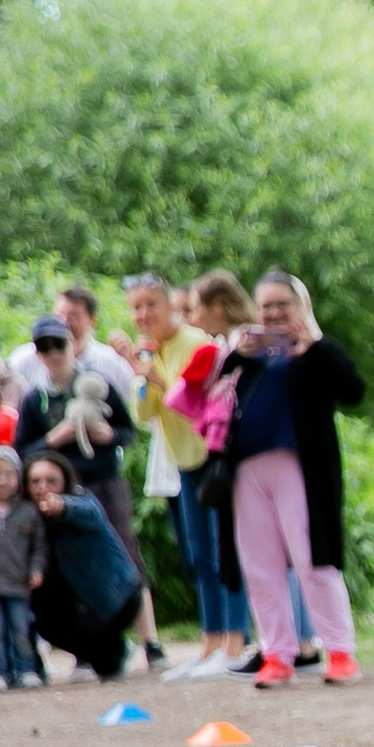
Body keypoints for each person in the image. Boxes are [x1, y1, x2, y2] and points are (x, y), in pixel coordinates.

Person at [204, 269, 364, 688]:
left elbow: (354, 390)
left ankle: (340, 651)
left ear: (299, 306)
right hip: (246, 471)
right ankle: (277, 654)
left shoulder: (314, 350)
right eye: (266, 305)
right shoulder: (246, 353)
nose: (274, 313)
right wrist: (237, 356)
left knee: (313, 559)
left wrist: (313, 344)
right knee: (260, 566)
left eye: (282, 304)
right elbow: (209, 399)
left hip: (298, 466)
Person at [12, 315, 163, 671]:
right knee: (67, 565)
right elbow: (23, 451)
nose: (52, 353)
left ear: (71, 345)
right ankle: (93, 644)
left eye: (58, 344)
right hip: (57, 492)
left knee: (126, 554)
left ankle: (150, 642)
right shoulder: (36, 400)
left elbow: (128, 431)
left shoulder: (99, 384)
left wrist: (108, 436)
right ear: (37, 354)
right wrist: (56, 438)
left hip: (103, 482)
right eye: (43, 347)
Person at [121, 272, 239, 678]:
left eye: (151, 304)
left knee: (225, 551)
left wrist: (153, 375)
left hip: (213, 456)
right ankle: (210, 644)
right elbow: (144, 413)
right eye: (136, 307)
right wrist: (139, 371)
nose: (143, 314)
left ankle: (234, 643)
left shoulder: (195, 342)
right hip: (182, 460)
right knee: (198, 555)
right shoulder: (155, 349)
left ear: (170, 304)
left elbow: (196, 401)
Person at [24, 450, 140, 683]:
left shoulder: (83, 501)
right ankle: (110, 653)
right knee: (31, 607)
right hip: (76, 602)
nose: (43, 487)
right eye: (35, 481)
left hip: (115, 597)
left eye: (51, 480)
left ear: (65, 480)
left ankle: (111, 646)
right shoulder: (27, 517)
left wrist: (62, 505)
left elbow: (87, 511)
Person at [0, 444, 46, 690]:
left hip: (18, 584)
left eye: (9, 474)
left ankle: (25, 669)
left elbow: (39, 546)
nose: (2, 481)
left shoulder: (29, 512)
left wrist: (36, 568)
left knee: (21, 629)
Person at [9, 287, 138, 404]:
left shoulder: (110, 361)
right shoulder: (24, 358)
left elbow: (131, 402)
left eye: (73, 316)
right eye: (60, 314)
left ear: (92, 320)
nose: (65, 321)